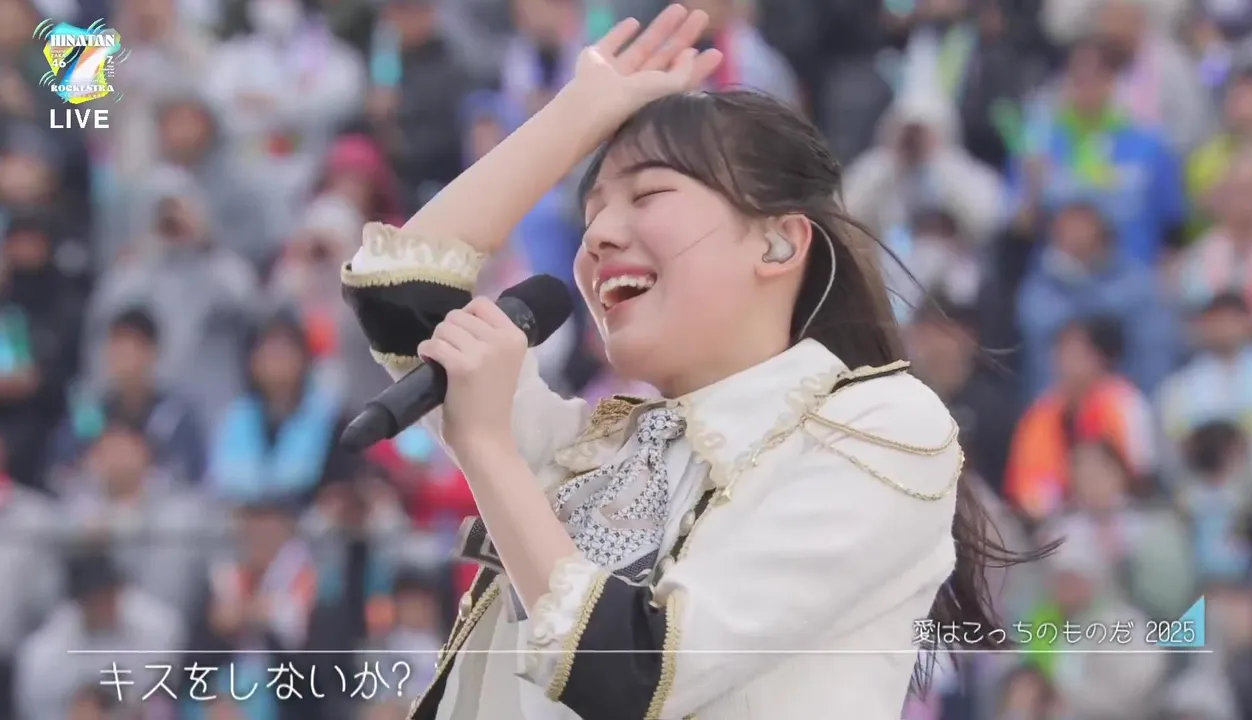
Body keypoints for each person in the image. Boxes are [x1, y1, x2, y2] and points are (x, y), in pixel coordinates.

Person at [340, 6, 1045, 718]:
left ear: (778, 243)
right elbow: (397, 294)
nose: (599, 237)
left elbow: (637, 674)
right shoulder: (595, 450)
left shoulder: (880, 424)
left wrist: (488, 449)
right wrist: (575, 116)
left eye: (648, 194)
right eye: (591, 214)